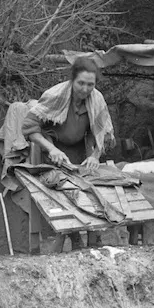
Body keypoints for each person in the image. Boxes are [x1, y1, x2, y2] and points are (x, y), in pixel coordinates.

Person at [22, 56, 115, 250]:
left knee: (92, 188)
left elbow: (104, 134)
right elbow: (30, 127)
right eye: (81, 83)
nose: (85, 89)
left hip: (81, 152)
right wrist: (52, 149)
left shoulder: (96, 99)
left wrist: (94, 156)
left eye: (90, 84)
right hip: (53, 151)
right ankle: (67, 237)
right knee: (62, 191)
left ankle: (92, 240)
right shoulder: (55, 95)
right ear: (72, 80)